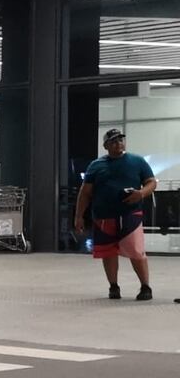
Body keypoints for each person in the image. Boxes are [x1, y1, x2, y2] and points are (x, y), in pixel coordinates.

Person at [73, 128, 157, 300]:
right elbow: (85, 192)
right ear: (105, 146)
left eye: (120, 140)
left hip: (130, 214)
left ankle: (145, 287)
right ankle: (113, 286)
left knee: (136, 250)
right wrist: (79, 216)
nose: (118, 143)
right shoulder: (96, 166)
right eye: (113, 141)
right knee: (108, 252)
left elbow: (151, 182)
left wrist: (141, 194)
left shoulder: (137, 161)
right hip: (103, 217)